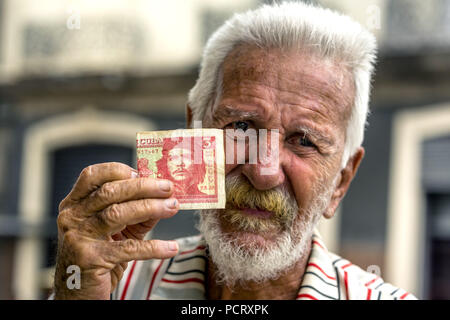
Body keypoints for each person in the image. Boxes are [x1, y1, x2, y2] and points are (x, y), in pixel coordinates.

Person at [52, 2, 417, 300]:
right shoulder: (110, 288)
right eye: (241, 127)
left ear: (341, 181)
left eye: (303, 140)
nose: (263, 171)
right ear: (193, 131)